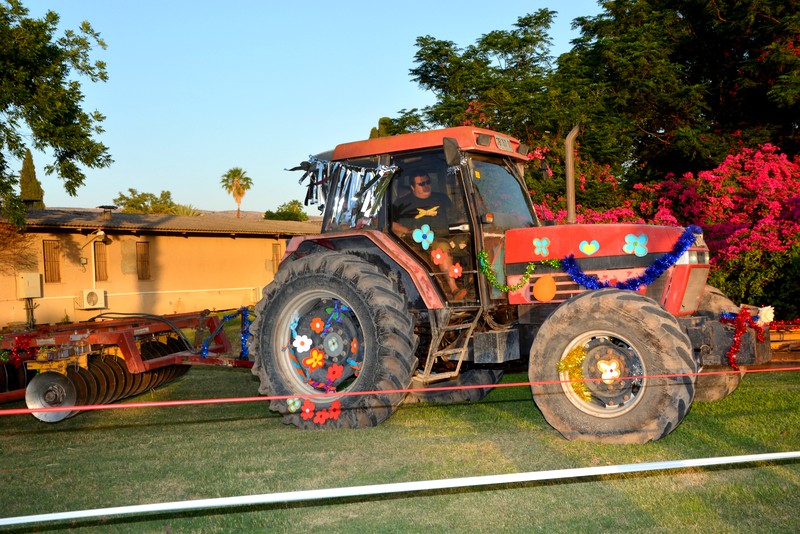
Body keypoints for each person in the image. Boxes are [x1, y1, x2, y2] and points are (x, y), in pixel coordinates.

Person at [391, 174, 467, 300]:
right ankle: (454, 289)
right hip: (419, 242)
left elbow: (456, 216)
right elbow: (390, 224)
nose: (426, 186)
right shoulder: (402, 203)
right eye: (421, 184)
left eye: (428, 182)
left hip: (447, 236)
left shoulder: (442, 198)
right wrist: (408, 231)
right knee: (441, 248)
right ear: (412, 187)